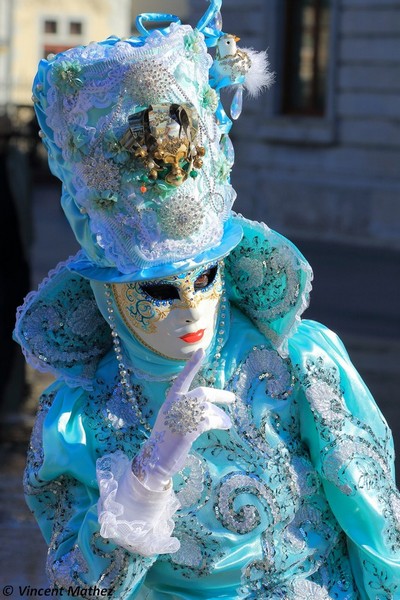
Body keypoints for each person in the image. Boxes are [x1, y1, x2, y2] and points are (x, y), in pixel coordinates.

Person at [15, 2, 400, 598]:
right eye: (159, 289)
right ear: (110, 294)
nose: (191, 306)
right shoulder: (79, 416)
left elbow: (382, 540)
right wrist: (148, 476)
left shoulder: (301, 365)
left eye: (205, 277)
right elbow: (75, 591)